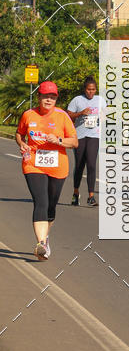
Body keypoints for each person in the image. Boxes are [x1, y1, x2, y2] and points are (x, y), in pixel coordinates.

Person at [15, 81, 78, 260]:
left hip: (58, 167)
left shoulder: (62, 116)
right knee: (40, 201)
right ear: (39, 97)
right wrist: (22, 143)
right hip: (33, 163)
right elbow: (19, 133)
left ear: (56, 99)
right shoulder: (28, 115)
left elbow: (74, 142)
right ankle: (41, 244)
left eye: (52, 97)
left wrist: (58, 140)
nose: (49, 100)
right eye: (45, 96)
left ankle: (45, 237)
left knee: (51, 206)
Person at [67, 76, 106, 206]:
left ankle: (91, 197)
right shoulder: (77, 100)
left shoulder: (100, 100)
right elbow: (68, 115)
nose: (91, 92)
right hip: (79, 136)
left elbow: (105, 113)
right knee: (79, 165)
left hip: (94, 135)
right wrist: (80, 113)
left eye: (93, 89)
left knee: (91, 164)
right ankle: (75, 193)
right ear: (85, 89)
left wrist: (103, 116)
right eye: (89, 89)